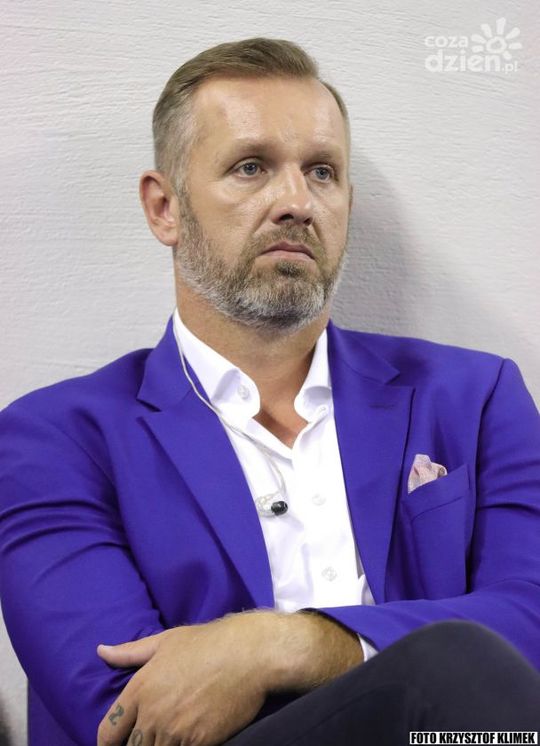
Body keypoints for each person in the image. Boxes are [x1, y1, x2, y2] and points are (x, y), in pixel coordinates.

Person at [0, 37, 539, 746]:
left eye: (322, 172)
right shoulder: (52, 438)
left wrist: (285, 644)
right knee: (450, 659)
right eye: (251, 167)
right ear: (164, 208)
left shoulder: (475, 397)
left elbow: (531, 622)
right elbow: (125, 715)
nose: (296, 202)